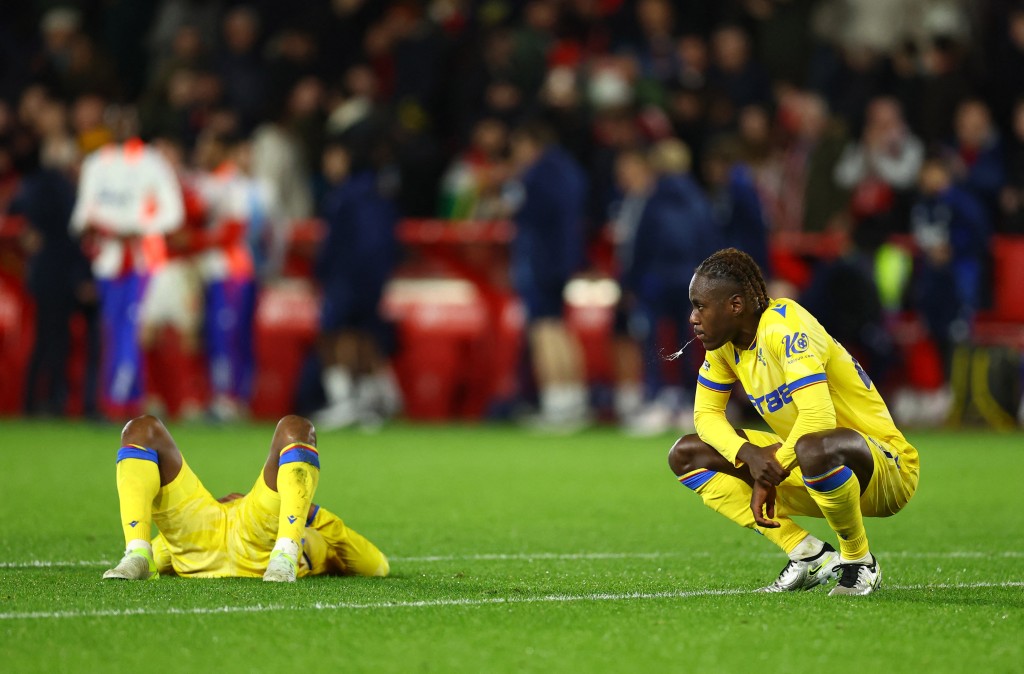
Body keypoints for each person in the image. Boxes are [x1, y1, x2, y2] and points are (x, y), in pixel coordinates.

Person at [667, 248, 920, 596]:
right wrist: (750, 457)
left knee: (812, 444)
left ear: (735, 305)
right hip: (810, 467)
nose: (693, 318)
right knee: (687, 453)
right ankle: (808, 553)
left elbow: (818, 417)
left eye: (700, 306)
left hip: (883, 469)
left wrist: (771, 468)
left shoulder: (786, 327)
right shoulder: (725, 346)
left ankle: (859, 561)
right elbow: (706, 416)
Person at [102, 414, 390, 582]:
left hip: (264, 540)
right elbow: (166, 549)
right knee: (141, 429)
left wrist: (310, 514)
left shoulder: (318, 531)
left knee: (296, 428)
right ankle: (136, 554)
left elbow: (376, 565)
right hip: (206, 530)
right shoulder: (313, 530)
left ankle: (285, 554)